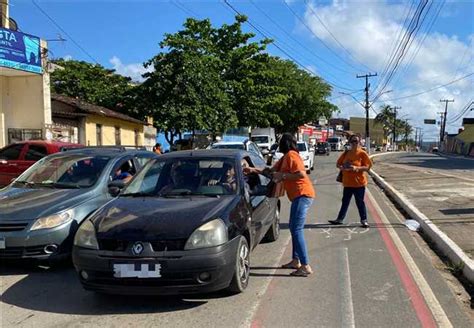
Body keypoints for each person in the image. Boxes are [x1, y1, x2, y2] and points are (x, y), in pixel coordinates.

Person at [244, 133, 315, 277]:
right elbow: (270, 172)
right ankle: (296, 261)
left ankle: (305, 265)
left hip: (303, 195)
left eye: (280, 142)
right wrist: (252, 170)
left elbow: (301, 174)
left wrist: (283, 176)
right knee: (294, 227)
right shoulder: (285, 158)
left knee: (296, 229)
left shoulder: (292, 156)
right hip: (298, 196)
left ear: (285, 144)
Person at [329, 134, 373, 228]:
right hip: (347, 183)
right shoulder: (346, 153)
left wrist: (356, 168)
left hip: (359, 184)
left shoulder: (362, 153)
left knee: (360, 202)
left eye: (356, 141)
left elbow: (368, 167)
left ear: (360, 142)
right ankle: (340, 219)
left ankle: (364, 220)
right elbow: (338, 164)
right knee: (345, 202)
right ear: (350, 142)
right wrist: (343, 167)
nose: (354, 143)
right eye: (353, 141)